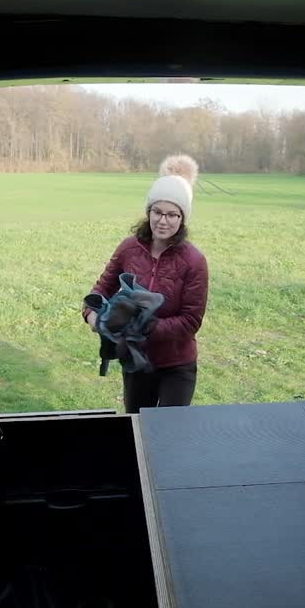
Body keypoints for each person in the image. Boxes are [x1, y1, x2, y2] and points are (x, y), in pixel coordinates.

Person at [82, 155, 209, 414]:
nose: (163, 221)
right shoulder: (129, 248)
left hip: (177, 364)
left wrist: (146, 326)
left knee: (170, 434)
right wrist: (92, 316)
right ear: (148, 212)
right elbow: (100, 290)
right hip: (136, 361)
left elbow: (190, 321)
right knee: (137, 428)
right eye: (157, 212)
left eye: (172, 214)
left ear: (182, 218)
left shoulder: (194, 261)